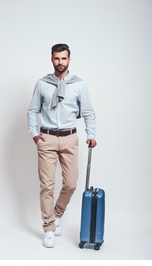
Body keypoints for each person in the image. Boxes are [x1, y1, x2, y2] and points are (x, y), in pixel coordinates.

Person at [27, 43, 97, 248]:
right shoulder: (42, 84)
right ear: (51, 59)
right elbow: (32, 110)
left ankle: (57, 214)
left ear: (69, 60)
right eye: (57, 58)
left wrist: (91, 134)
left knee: (71, 183)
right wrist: (34, 133)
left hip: (69, 138)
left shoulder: (79, 84)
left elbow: (88, 113)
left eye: (63, 58)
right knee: (47, 186)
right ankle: (48, 228)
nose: (60, 62)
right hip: (47, 138)